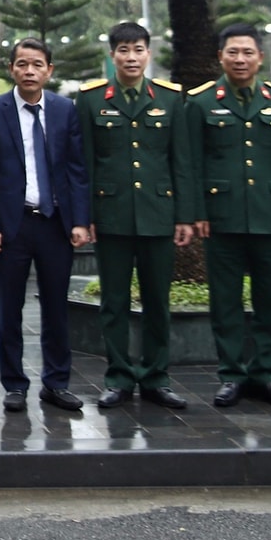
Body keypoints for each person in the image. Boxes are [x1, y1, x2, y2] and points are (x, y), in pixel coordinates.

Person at [77, 21, 197, 411]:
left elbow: (181, 161)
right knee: (114, 302)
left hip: (158, 214)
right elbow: (85, 163)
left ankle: (156, 377)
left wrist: (184, 216)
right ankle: (118, 377)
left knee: (157, 301)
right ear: (112, 55)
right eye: (124, 50)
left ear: (149, 53)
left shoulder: (170, 98)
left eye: (139, 49)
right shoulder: (92, 99)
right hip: (111, 215)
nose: (132, 57)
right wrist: (86, 215)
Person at [188, 22, 271, 411]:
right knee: (225, 302)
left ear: (260, 57)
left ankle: (266, 374)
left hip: (270, 218)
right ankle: (232, 375)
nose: (240, 59)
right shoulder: (201, 102)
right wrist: (197, 212)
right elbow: (191, 163)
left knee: (270, 299)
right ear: (220, 57)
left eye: (247, 52)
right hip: (221, 218)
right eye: (233, 52)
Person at [0, 38, 91, 413]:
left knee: (56, 307)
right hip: (13, 225)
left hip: (55, 223)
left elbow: (77, 168)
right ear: (11, 68)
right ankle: (14, 384)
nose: (29, 71)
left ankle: (56, 382)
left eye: (37, 64)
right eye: (22, 64)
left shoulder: (64, 109)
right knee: (10, 308)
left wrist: (80, 220)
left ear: (49, 70)